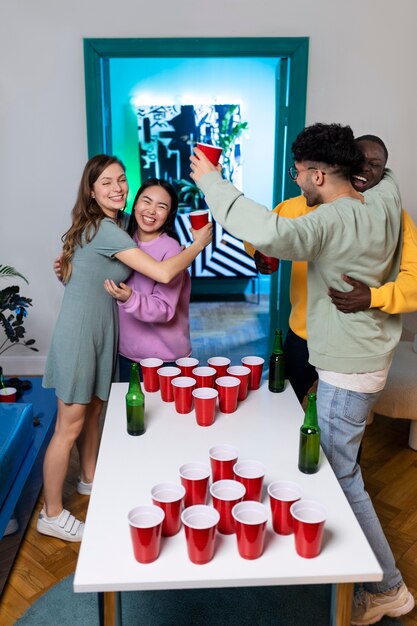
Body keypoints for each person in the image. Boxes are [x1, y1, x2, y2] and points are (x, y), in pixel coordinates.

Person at [190, 123, 414, 624]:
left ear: (317, 175)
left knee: (341, 474)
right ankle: (343, 570)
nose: (295, 179)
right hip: (368, 356)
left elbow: (271, 231)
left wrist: (211, 179)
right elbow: (384, 170)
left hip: (348, 367)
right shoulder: (381, 197)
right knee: (336, 464)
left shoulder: (332, 220)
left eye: (298, 173)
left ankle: (388, 588)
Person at [39, 155, 212, 542]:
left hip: (101, 336)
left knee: (93, 414)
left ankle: (89, 478)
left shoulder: (110, 227)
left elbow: (86, 275)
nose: (118, 188)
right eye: (106, 183)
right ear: (91, 189)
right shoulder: (109, 230)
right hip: (83, 337)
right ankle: (51, 514)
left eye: (121, 180)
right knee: (67, 428)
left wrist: (72, 270)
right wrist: (199, 243)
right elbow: (165, 272)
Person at [245, 134, 417, 403]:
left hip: (352, 346)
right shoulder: (303, 204)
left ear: (385, 172)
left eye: (376, 164)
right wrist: (257, 253)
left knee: (341, 428)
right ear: (344, 162)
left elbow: (414, 282)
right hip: (302, 336)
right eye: (359, 160)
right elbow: (261, 233)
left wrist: (374, 296)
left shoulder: (396, 218)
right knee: (288, 411)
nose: (365, 169)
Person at [103, 178, 192, 382]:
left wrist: (129, 298)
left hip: (166, 359)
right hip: (127, 354)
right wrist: (66, 275)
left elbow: (164, 309)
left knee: (169, 413)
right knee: (134, 412)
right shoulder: (122, 240)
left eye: (161, 207)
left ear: (169, 215)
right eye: (146, 201)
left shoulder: (171, 249)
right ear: (135, 205)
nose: (151, 211)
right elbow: (104, 281)